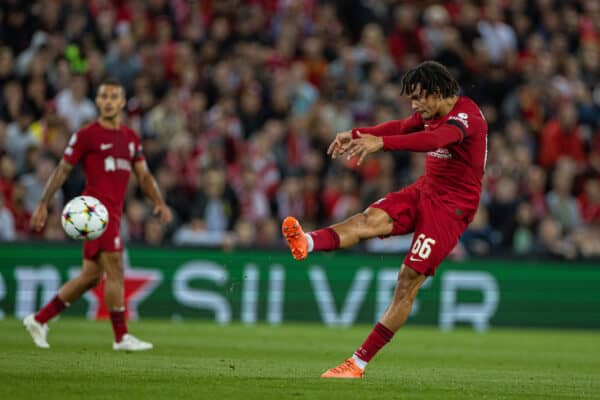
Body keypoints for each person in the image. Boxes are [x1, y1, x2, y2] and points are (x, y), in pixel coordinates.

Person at [281, 61, 488, 378]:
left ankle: (357, 363)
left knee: (407, 280)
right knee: (368, 219)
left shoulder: (466, 117)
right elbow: (401, 127)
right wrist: (356, 133)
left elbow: (433, 141)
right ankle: (307, 242)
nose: (414, 105)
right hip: (425, 192)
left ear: (437, 93)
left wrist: (382, 144)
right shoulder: (429, 113)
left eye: (418, 98)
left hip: (451, 210)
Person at [23, 78, 173, 351]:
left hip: (114, 212)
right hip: (96, 214)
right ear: (98, 101)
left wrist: (159, 202)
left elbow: (143, 175)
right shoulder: (86, 135)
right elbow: (63, 169)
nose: (108, 101)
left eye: (114, 97)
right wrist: (44, 202)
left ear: (122, 102)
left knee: (91, 277)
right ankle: (121, 336)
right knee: (115, 268)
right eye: (103, 96)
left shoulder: (129, 138)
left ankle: (39, 319)